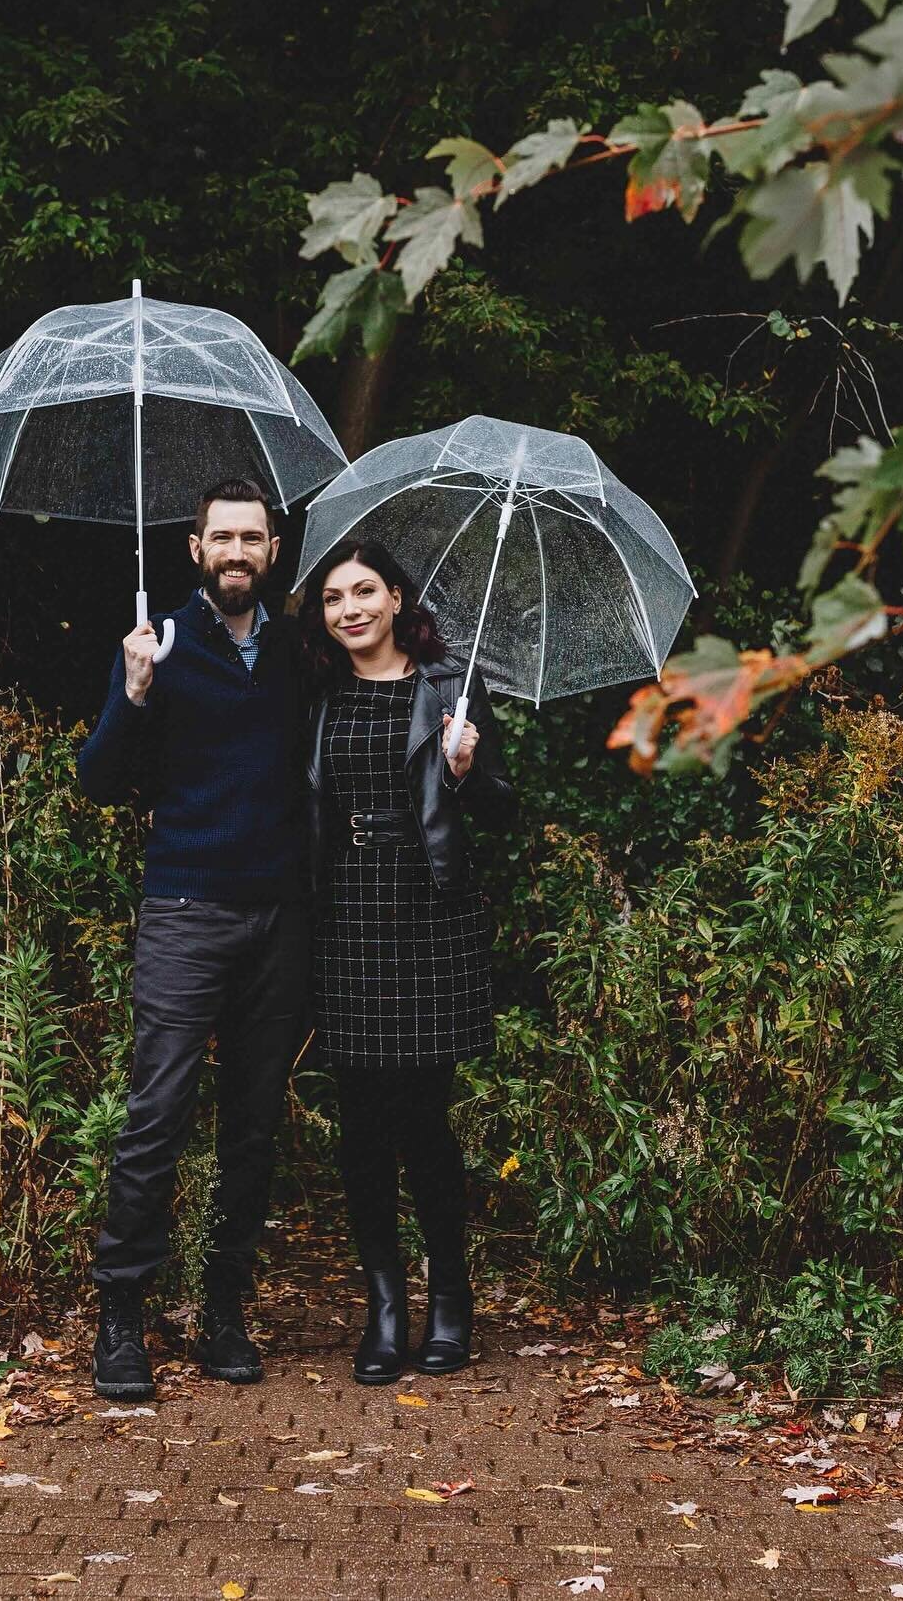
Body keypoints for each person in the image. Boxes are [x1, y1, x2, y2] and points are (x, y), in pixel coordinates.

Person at [76, 477, 309, 1401]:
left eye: (253, 538)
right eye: (223, 538)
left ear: (274, 552)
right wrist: (132, 692)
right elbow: (99, 779)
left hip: (281, 918)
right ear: (195, 549)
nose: (238, 552)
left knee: (254, 1124)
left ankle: (223, 1311)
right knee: (156, 1118)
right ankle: (121, 1317)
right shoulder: (158, 644)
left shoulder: (299, 649)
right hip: (184, 911)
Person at [299, 539, 516, 1385]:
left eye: (363, 592)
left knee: (426, 1123)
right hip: (347, 916)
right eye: (331, 598)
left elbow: (502, 809)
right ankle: (384, 1308)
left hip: (431, 916)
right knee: (362, 1128)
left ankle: (451, 1301)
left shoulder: (450, 690)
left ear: (396, 599)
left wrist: (465, 770)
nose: (348, 609)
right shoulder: (318, 692)